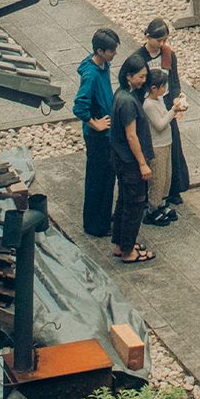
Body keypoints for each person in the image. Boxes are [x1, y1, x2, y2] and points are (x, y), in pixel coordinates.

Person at [139, 18, 192, 213]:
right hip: (150, 103)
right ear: (148, 37)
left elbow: (174, 79)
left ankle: (173, 188)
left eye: (164, 40)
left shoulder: (169, 54)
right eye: (158, 40)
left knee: (174, 146)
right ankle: (153, 194)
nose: (162, 44)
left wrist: (177, 99)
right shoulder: (140, 57)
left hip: (166, 100)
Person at [72, 26, 120, 239]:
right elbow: (79, 106)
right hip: (98, 137)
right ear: (100, 51)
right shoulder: (91, 75)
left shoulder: (103, 65)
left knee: (105, 177)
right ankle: (96, 224)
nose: (114, 54)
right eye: (111, 50)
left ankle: (101, 216)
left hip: (105, 133)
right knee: (99, 179)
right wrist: (95, 123)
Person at [109, 53, 156, 262]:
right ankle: (128, 251)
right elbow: (131, 135)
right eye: (140, 76)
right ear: (129, 76)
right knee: (135, 205)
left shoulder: (121, 94)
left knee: (123, 202)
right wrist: (143, 164)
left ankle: (121, 244)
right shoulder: (128, 102)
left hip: (121, 158)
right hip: (131, 162)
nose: (143, 80)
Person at [142, 66, 178, 225]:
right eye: (163, 86)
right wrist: (173, 111)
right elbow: (160, 124)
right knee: (157, 178)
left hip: (166, 142)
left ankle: (162, 203)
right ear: (154, 88)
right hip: (157, 146)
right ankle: (152, 209)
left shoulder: (159, 99)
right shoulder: (148, 104)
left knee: (166, 176)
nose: (165, 89)